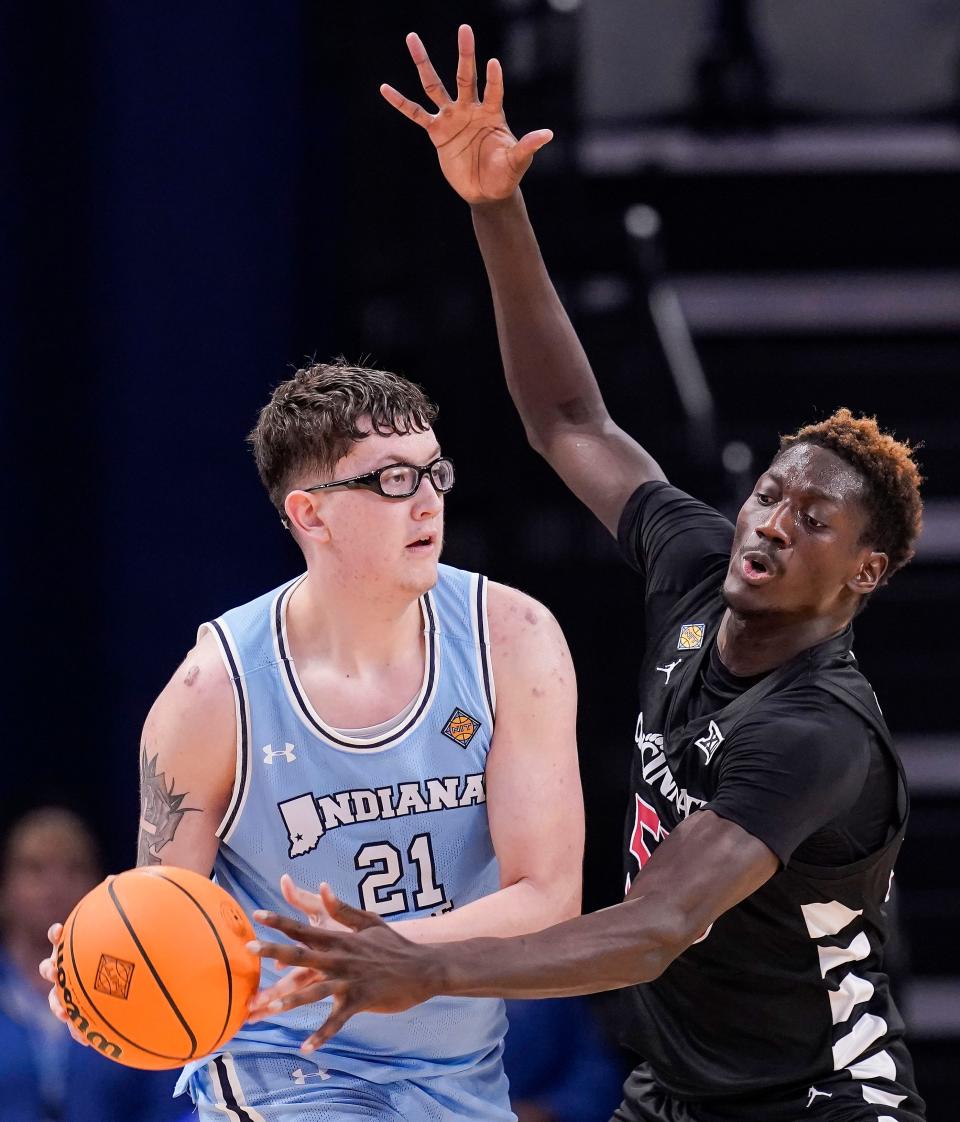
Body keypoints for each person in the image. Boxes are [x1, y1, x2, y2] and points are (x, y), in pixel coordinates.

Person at [243, 28, 928, 1122]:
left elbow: (656, 926)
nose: (772, 521)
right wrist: (493, 202)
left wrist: (430, 967)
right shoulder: (701, 569)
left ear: (868, 572)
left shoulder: (816, 732)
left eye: (815, 521)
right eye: (772, 495)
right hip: (680, 1094)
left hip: (823, 1103)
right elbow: (569, 418)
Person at [42, 359, 584, 1121]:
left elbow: (551, 898)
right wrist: (110, 970)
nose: (427, 501)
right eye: (393, 480)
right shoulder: (211, 695)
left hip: (461, 1075)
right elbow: (163, 917)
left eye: (435, 473)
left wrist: (376, 951)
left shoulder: (514, 639)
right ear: (311, 513)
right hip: (286, 1074)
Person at [0, 807, 186, 1122]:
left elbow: (172, 1105)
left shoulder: (139, 994)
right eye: (35, 869)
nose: (54, 885)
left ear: (99, 886)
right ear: (5, 888)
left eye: (74, 869)